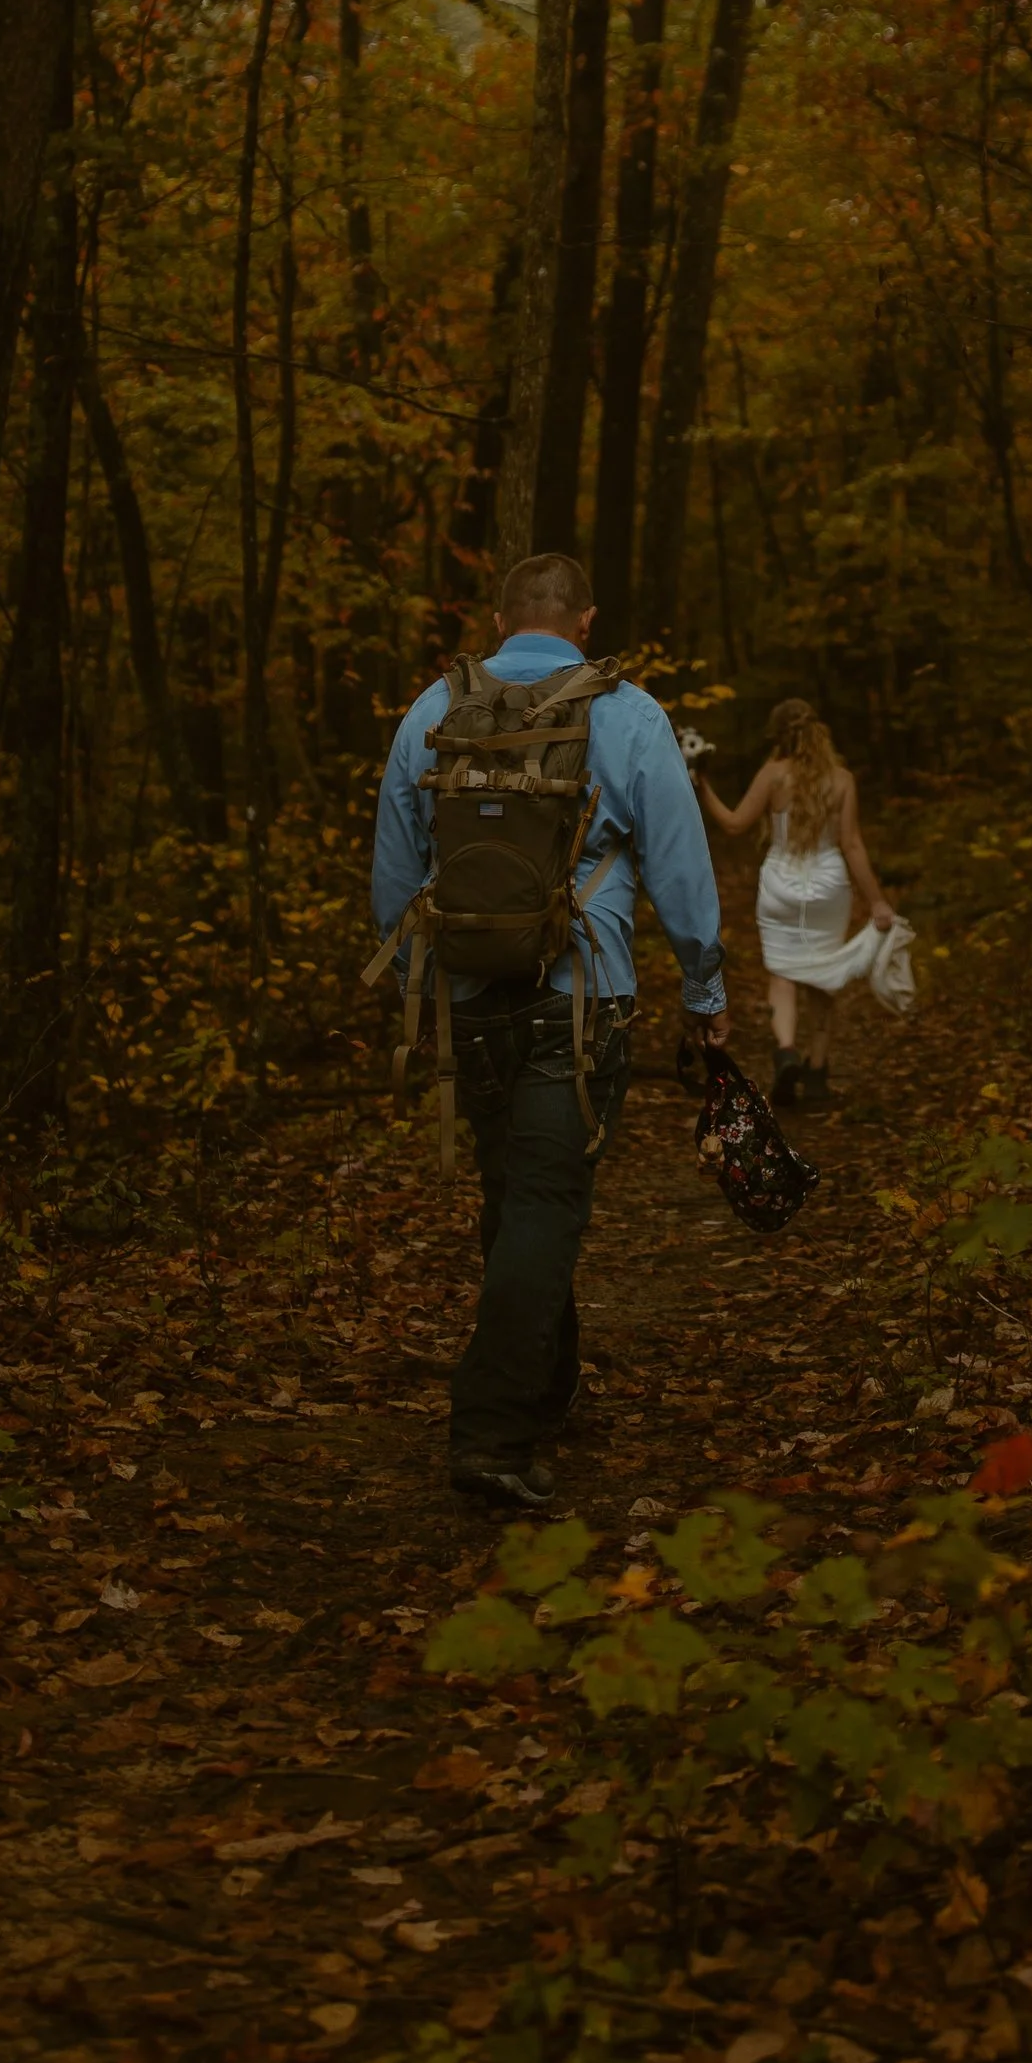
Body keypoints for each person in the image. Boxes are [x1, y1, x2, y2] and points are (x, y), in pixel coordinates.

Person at [372, 547, 729, 1512]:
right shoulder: (627, 712)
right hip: (584, 997)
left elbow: (395, 874)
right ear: (584, 621)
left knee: (515, 1195)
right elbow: (682, 873)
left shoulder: (431, 711)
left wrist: (421, 983)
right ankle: (492, 1433)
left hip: (471, 997)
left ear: (498, 620)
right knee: (542, 1201)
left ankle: (548, 1381)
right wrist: (705, 991)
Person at [698, 699, 896, 1109]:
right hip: (828, 885)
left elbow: (734, 824)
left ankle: (786, 1050)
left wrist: (702, 786)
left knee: (782, 973)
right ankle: (818, 1074)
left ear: (777, 736)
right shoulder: (841, 779)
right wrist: (878, 902)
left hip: (781, 884)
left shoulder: (772, 775)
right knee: (823, 974)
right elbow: (852, 844)